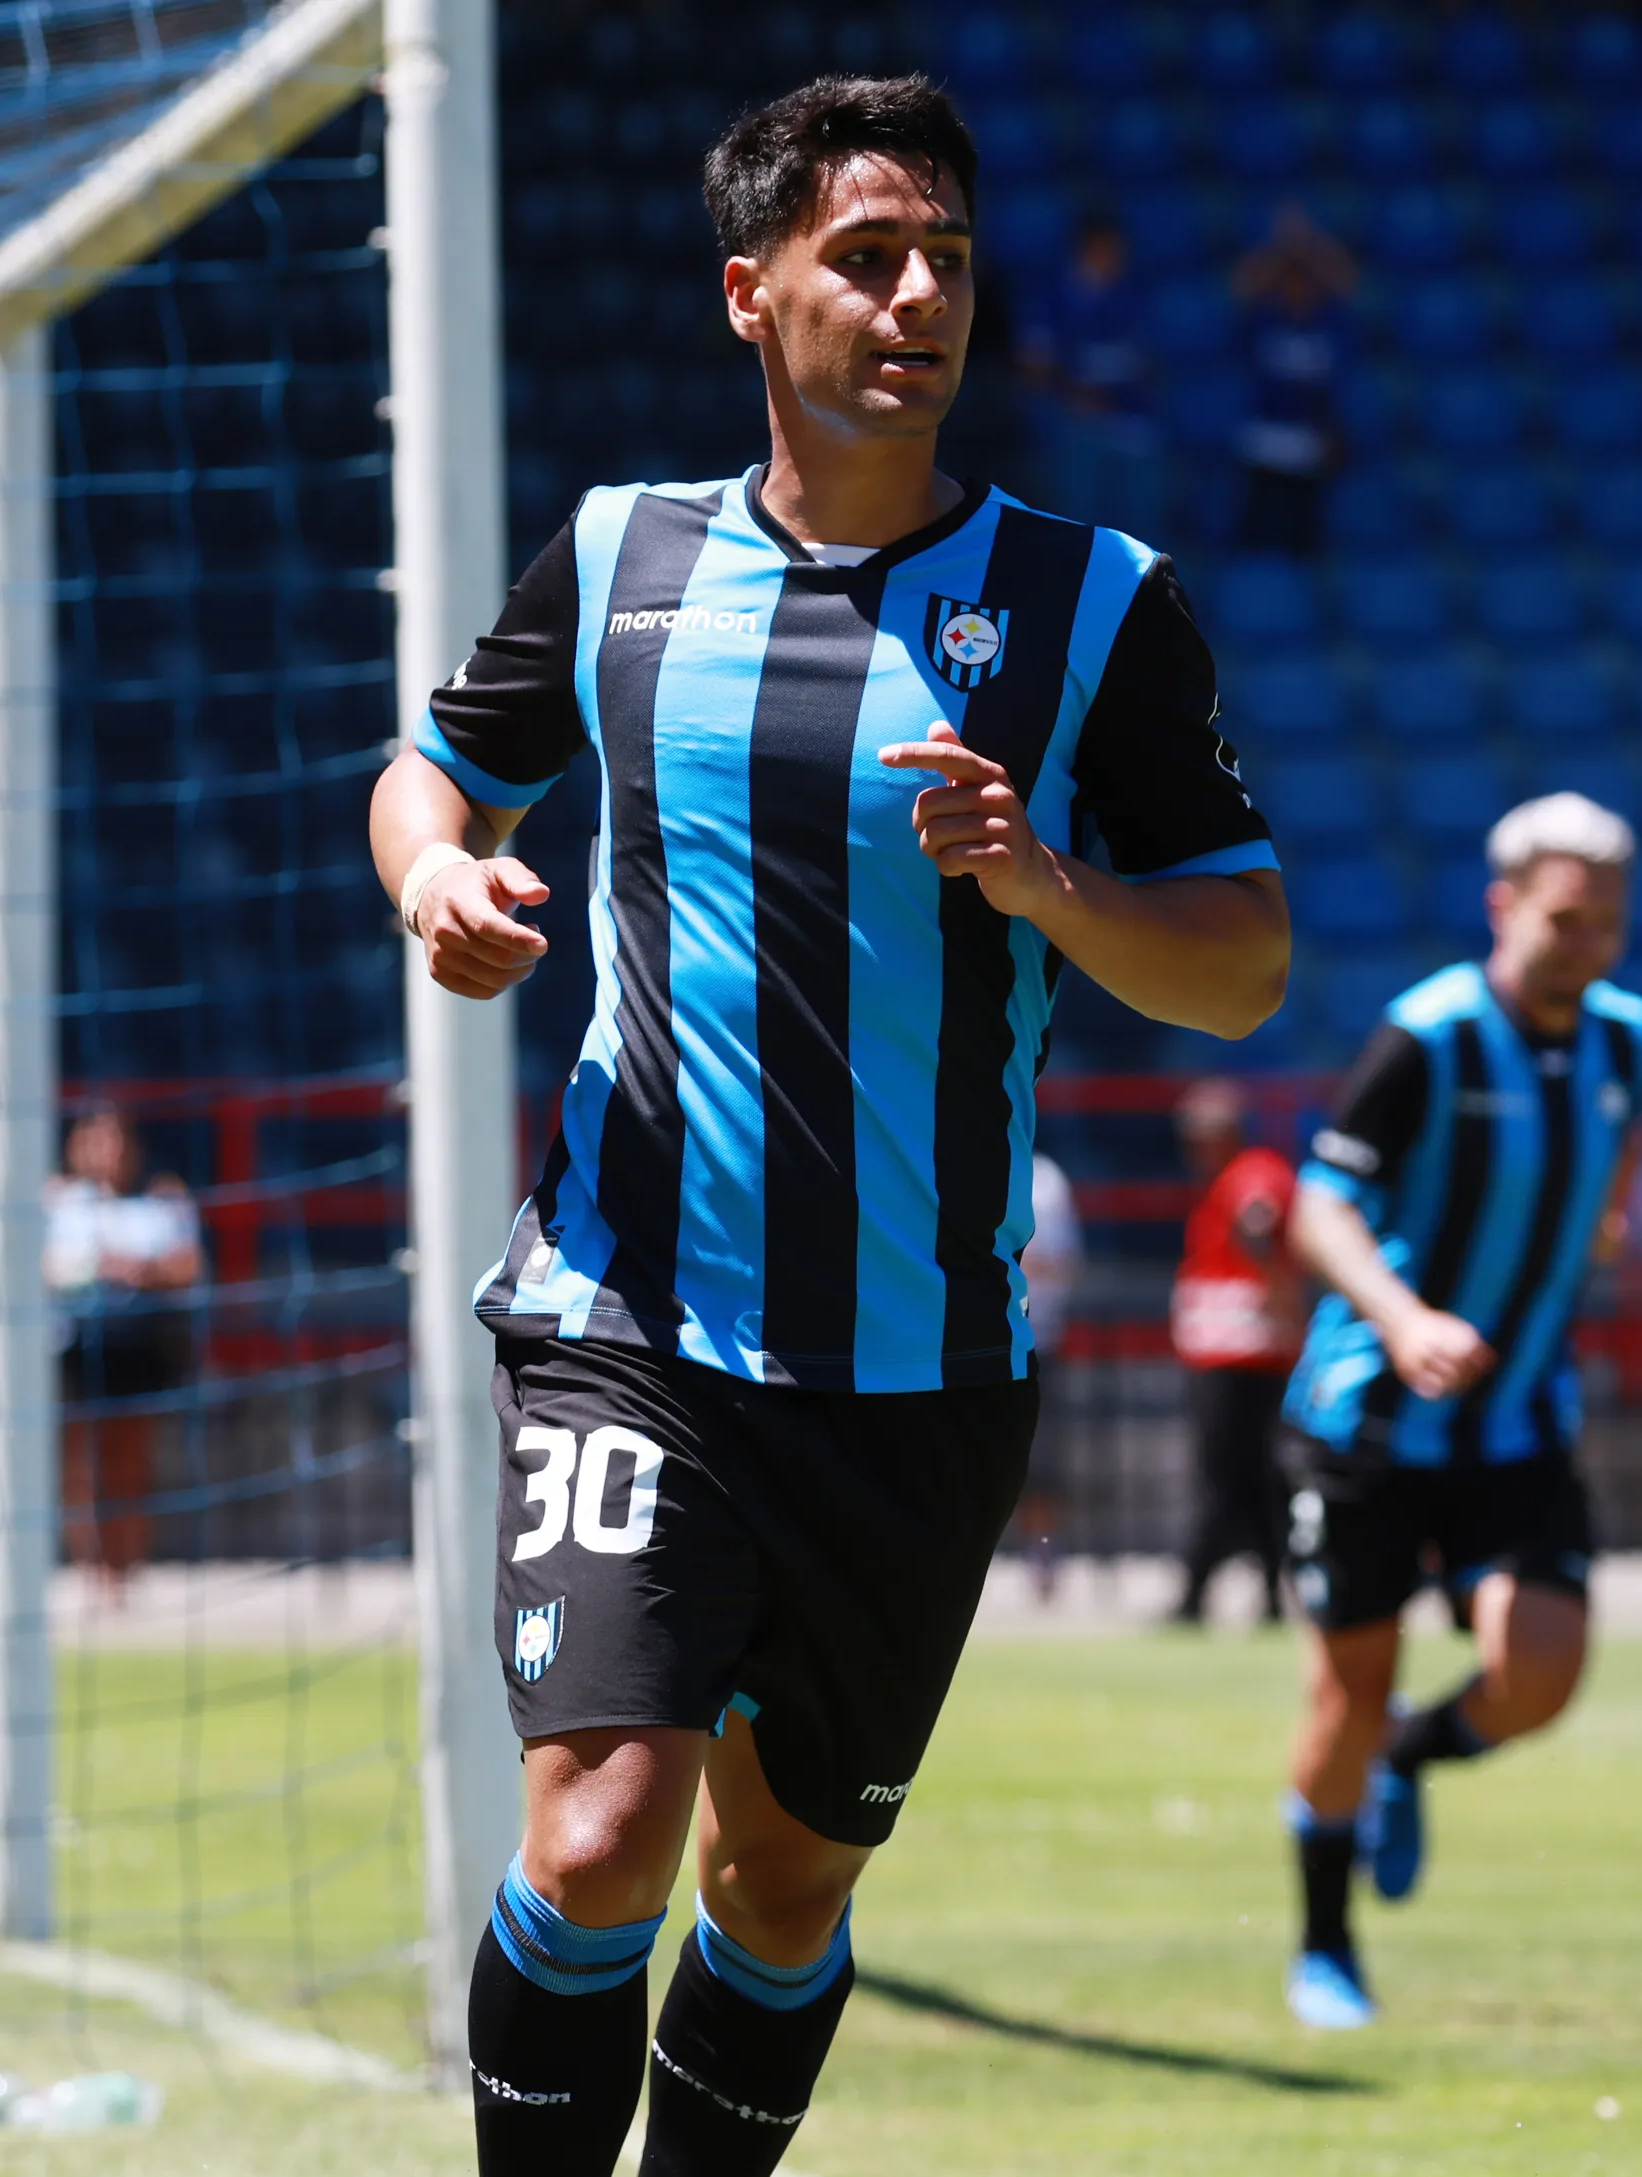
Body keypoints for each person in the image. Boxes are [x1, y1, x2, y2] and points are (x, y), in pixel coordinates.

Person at [368, 75, 1288, 2172]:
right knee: (600, 1827)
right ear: (748, 291)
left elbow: (1241, 955)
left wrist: (1049, 883)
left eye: (946, 259)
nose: (914, 297)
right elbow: (433, 770)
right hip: (631, 1311)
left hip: (918, 1367)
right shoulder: (622, 555)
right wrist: (435, 874)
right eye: (865, 257)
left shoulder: (1094, 604)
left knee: (778, 1885)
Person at [1273, 794, 1642, 2031]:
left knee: (1538, 1670)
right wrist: (1404, 1317)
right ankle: (1324, 1945)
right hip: (1370, 1421)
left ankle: (1407, 1758)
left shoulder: (1629, 1041)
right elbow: (1317, 1206)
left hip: (1516, 1421)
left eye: (1606, 920)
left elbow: (1612, 1166)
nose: (1585, 940)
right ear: (1503, 906)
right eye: (1563, 915)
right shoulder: (1426, 1035)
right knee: (1347, 1681)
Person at [44, 1106, 204, 1604]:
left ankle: (126, 1566)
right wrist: (99, 1266)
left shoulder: (162, 1199)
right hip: (74, 1346)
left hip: (138, 1345)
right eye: (94, 1139)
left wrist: (139, 1268)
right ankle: (93, 1571)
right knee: (80, 1462)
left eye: (115, 1139)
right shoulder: (57, 1202)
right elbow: (40, 1265)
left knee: (131, 1459)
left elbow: (188, 1268)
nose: (106, 1151)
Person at [1168, 1077, 1300, 1628]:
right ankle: (1268, 1593)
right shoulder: (1233, 1176)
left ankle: (1194, 1593)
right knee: (1255, 1477)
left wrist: (1282, 1297)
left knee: (1226, 1477)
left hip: (1241, 1354)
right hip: (1236, 1351)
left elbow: (1259, 1227)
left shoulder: (1251, 1173)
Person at [1018, 212, 1161, 544]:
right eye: (1104, 249)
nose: (1113, 258)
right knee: (1080, 515)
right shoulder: (1053, 299)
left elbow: (1151, 361)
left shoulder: (1135, 294)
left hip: (1130, 421)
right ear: (1086, 249)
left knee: (1143, 516)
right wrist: (1074, 395)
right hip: (1075, 421)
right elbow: (1034, 365)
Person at [1225, 204, 1359, 559]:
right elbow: (1242, 285)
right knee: (1255, 541)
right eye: (1291, 282)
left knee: (1306, 546)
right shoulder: (1264, 320)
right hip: (1264, 445)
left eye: (1305, 283)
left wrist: (1309, 244)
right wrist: (1281, 246)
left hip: (1310, 449)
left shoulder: (1330, 324)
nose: (1298, 289)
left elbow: (1347, 282)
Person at [1009, 1151, 1083, 1596]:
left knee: (1039, 1458)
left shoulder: (1048, 1179)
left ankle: (1041, 1556)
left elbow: (1065, 1263)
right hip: (971, 1338)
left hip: (1037, 1340)